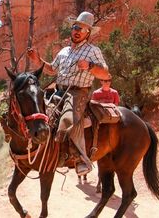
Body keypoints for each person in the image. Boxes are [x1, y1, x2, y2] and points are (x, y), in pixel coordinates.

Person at [27, 11, 110, 176]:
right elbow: (52, 69)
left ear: (88, 33)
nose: (77, 30)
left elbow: (106, 74)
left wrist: (90, 66)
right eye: (76, 27)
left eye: (83, 29)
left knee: (67, 119)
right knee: (37, 113)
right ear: (72, 29)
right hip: (59, 91)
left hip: (78, 93)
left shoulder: (92, 51)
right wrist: (38, 60)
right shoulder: (64, 51)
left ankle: (80, 159)